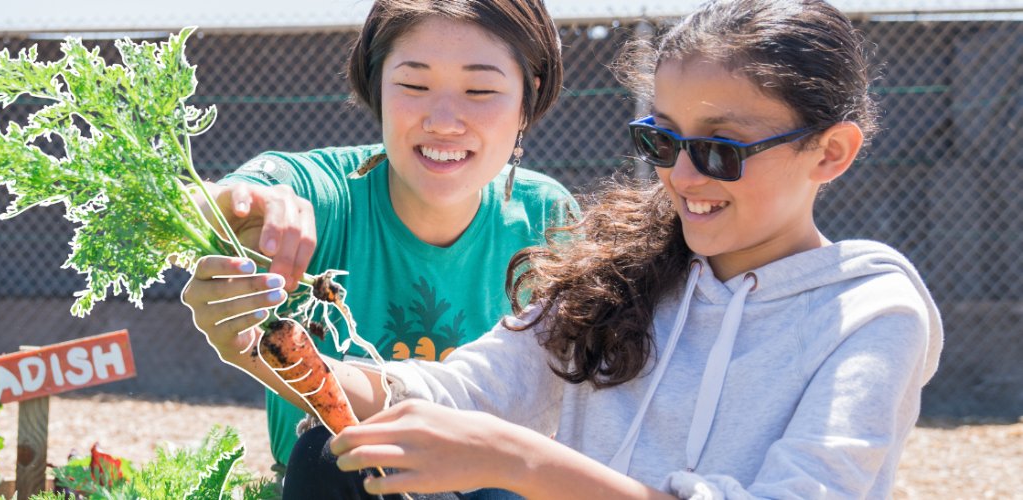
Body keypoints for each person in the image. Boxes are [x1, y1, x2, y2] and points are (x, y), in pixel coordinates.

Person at [183, 0, 945, 497]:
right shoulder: (625, 273)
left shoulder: (867, 313)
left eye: (720, 150)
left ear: (831, 152)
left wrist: (519, 462)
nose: (681, 178)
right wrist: (261, 350)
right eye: (662, 141)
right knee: (333, 459)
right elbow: (461, 390)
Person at [185, 0, 576, 478]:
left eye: (479, 89)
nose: (443, 121)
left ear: (527, 100)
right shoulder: (329, 196)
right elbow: (228, 194)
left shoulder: (547, 217)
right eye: (414, 85)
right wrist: (232, 206)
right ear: (377, 85)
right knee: (328, 456)